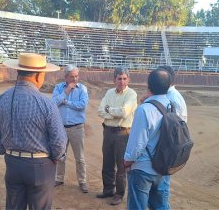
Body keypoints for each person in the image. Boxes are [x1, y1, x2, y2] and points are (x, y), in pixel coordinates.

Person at [0, 53, 67, 210]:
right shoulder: (46, 103)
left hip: (12, 163)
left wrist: (5, 151)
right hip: (40, 165)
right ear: (38, 76)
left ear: (19, 72)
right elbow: (59, 141)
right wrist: (55, 158)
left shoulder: (2, 98)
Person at [123, 68, 173, 210]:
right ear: (168, 86)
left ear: (148, 85)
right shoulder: (171, 105)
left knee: (137, 206)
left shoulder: (144, 109)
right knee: (160, 206)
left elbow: (137, 144)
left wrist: (127, 161)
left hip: (143, 169)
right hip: (163, 167)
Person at [97, 67, 138, 206]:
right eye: (119, 78)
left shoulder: (132, 94)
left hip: (123, 133)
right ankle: (108, 189)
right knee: (107, 162)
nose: (122, 81)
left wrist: (109, 110)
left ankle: (119, 194)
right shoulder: (109, 92)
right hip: (108, 132)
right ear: (114, 79)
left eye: (124, 78)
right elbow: (100, 111)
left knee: (121, 165)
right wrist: (113, 113)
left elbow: (124, 112)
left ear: (128, 79)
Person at [52, 64, 89, 193]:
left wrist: (66, 102)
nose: (75, 79)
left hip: (77, 128)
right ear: (66, 77)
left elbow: (82, 105)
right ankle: (59, 178)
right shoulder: (58, 88)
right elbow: (54, 103)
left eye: (76, 76)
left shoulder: (82, 89)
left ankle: (82, 181)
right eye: (72, 76)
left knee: (80, 157)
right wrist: (66, 92)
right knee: (61, 155)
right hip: (61, 128)